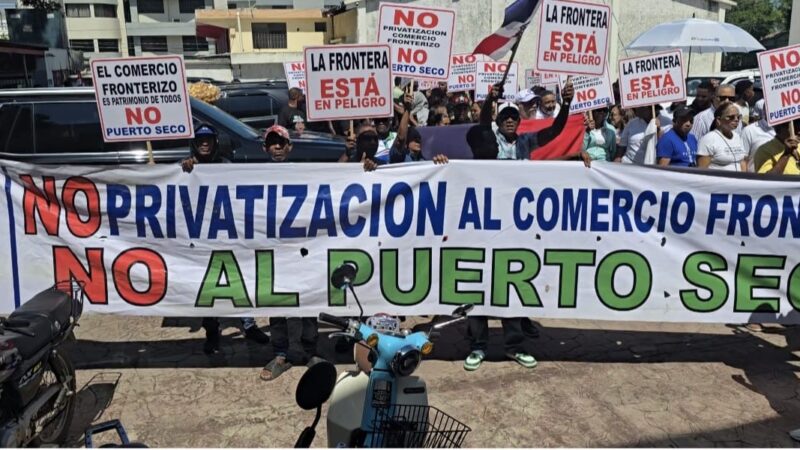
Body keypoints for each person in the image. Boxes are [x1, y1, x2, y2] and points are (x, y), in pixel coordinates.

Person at [180, 125, 270, 354]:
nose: (205, 143)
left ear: (215, 142)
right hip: (202, 236)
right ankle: (211, 331)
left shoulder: (227, 167)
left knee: (238, 280)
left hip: (229, 234)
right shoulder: (187, 167)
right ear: (194, 143)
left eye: (208, 139)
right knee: (208, 285)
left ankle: (248, 326)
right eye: (200, 139)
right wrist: (183, 169)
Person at [260, 125, 323, 380]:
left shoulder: (305, 173)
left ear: (290, 147)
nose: (277, 147)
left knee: (308, 301)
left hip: (303, 250)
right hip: (274, 251)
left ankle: (309, 352)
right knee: (276, 302)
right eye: (272, 143)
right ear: (265, 148)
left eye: (281, 143)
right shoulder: (252, 176)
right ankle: (281, 354)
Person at [696, 101, 748, 172]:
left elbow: (742, 162)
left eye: (738, 117)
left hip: (738, 182)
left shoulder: (737, 137)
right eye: (731, 117)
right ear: (719, 120)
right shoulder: (708, 139)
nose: (736, 120)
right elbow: (702, 170)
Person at [741, 100, 776, 171]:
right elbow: (743, 161)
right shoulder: (749, 131)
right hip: (757, 180)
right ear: (764, 109)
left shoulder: (792, 131)